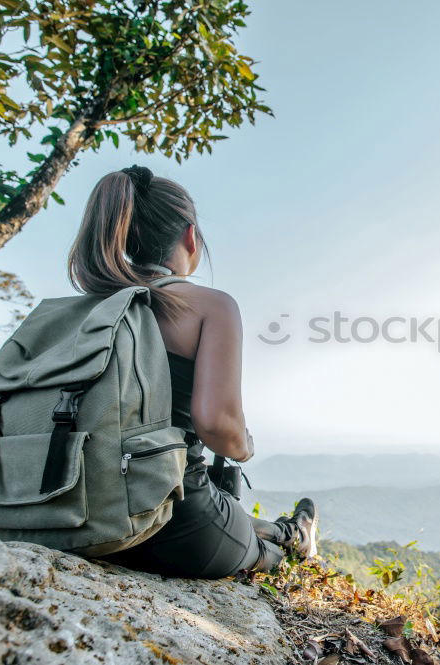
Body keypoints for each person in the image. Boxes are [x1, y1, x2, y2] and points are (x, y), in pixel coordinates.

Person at [66, 164, 317, 579]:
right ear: (189, 236)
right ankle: (293, 539)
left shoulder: (76, 314)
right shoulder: (206, 305)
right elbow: (217, 425)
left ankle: (286, 530)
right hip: (169, 524)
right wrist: (244, 446)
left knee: (229, 520)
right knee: (250, 549)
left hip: (66, 510)